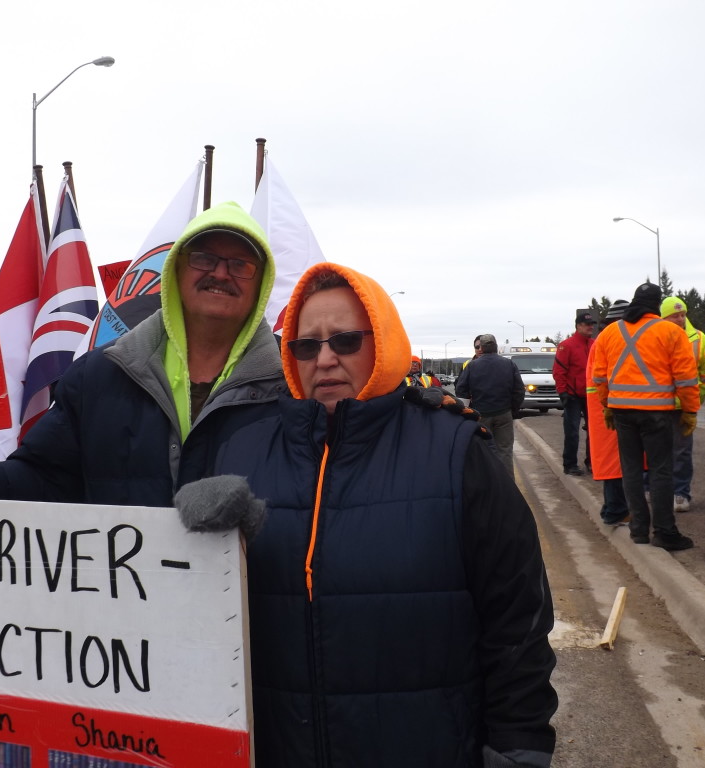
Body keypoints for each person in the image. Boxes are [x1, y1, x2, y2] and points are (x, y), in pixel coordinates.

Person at [195, 262, 557, 767]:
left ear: (381, 343)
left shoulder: (456, 452)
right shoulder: (240, 452)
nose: (323, 359)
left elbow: (518, 621)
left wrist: (518, 748)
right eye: (306, 345)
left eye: (344, 341)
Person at [0, 201, 285, 507]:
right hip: (120, 614)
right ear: (174, 272)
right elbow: (42, 477)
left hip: (252, 616)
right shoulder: (98, 378)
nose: (220, 273)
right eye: (204, 258)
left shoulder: (295, 387)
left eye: (240, 264)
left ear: (261, 283)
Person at [592, 282, 699, 551]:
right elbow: (686, 378)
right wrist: (689, 411)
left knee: (631, 470)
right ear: (656, 304)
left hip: (622, 413)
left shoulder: (610, 333)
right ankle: (665, 532)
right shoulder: (671, 331)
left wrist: (606, 405)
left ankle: (639, 530)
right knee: (660, 471)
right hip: (657, 412)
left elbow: (599, 377)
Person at [659, 296, 705, 512]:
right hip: (659, 404)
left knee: (682, 452)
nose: (680, 319)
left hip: (684, 406)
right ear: (664, 317)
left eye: (683, 314)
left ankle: (681, 493)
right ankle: (659, 492)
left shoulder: (699, 337)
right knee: (658, 452)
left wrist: (698, 395)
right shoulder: (656, 336)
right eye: (675, 316)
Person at [455, 333, 526, 480]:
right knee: (505, 450)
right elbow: (519, 390)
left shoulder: (472, 366)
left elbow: (461, 389)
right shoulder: (509, 364)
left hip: (480, 414)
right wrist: (513, 409)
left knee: (483, 450)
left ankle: (486, 485)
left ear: (482, 347)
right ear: (495, 346)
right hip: (504, 413)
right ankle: (508, 487)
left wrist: (468, 410)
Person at [585, 300, 630, 525]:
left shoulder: (602, 339)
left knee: (613, 461)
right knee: (616, 463)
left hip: (603, 407)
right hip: (610, 408)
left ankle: (612, 508)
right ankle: (616, 510)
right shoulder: (613, 339)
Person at [553, 310, 596, 476]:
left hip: (591, 395)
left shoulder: (594, 344)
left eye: (591, 324)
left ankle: (592, 462)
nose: (590, 327)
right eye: (586, 324)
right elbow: (559, 371)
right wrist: (563, 392)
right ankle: (570, 464)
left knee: (594, 432)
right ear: (578, 326)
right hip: (572, 395)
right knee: (572, 431)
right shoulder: (566, 346)